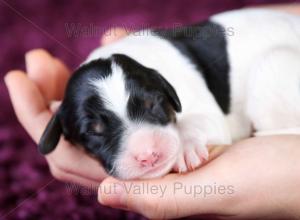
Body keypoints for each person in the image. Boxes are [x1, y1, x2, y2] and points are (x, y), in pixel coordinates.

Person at [5, 4, 300, 219]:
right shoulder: (87, 103)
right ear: (63, 129)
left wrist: (192, 133)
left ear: (165, 90)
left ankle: (283, 132)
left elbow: (212, 124)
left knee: (274, 71)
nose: (146, 152)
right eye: (97, 131)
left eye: (151, 108)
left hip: (287, 51)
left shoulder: (168, 69)